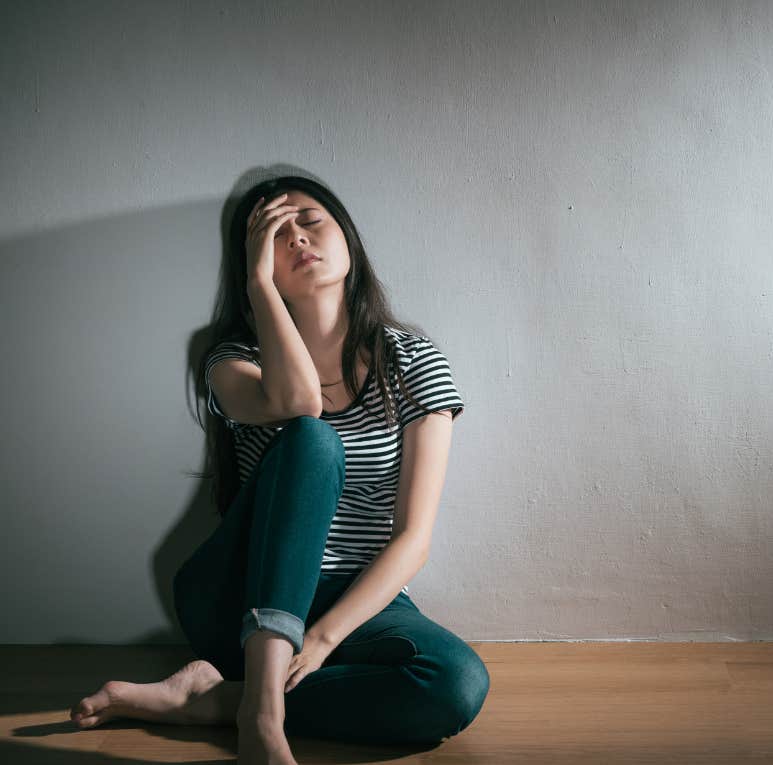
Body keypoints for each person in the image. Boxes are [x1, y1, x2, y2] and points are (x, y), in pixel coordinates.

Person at [68, 175, 490, 762]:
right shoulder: (232, 361)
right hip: (237, 592)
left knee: (455, 686)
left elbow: (413, 540)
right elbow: (300, 404)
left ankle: (215, 700)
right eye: (272, 234)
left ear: (347, 236)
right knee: (313, 441)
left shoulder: (413, 361)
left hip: (352, 597)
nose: (296, 238)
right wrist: (260, 285)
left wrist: (322, 638)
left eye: (310, 221)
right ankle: (262, 718)